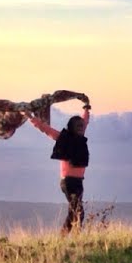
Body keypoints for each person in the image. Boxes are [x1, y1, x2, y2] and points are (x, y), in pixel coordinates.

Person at [27, 97, 92, 232]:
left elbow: (85, 121)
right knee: (77, 210)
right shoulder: (63, 138)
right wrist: (29, 117)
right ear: (72, 127)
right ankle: (71, 236)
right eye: (78, 126)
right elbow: (45, 129)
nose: (81, 127)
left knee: (75, 211)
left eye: (82, 126)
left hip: (79, 182)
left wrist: (86, 108)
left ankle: (69, 237)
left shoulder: (80, 139)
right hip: (68, 182)